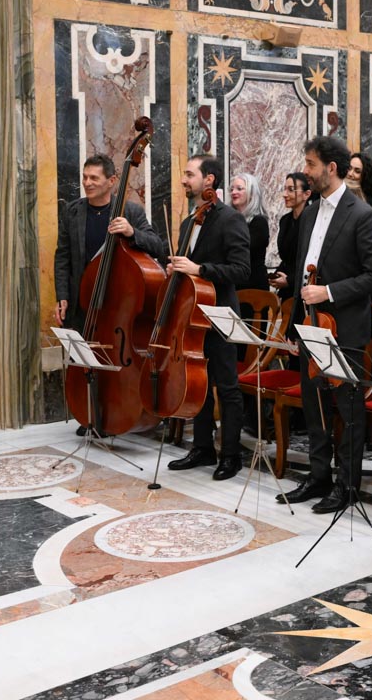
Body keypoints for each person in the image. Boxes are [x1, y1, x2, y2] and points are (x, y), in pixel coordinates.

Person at [276, 136, 372, 513]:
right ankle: (318, 476)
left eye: (310, 165)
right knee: (314, 406)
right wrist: (295, 326)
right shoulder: (309, 212)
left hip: (346, 327)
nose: (305, 171)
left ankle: (347, 485)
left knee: (348, 409)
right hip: (311, 326)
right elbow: (299, 274)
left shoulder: (363, 215)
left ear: (331, 169)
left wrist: (330, 292)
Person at [166, 156, 251, 481]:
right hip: (192, 315)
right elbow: (187, 267)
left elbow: (241, 270)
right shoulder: (190, 221)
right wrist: (176, 267)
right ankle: (202, 447)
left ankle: (230, 455)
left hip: (220, 314)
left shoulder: (230, 219)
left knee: (226, 387)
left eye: (189, 174)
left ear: (209, 180)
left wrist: (200, 269)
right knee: (196, 383)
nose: (184, 180)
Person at [53, 154, 166, 331]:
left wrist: (132, 232)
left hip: (119, 303)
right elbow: (62, 257)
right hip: (81, 303)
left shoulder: (131, 211)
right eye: (85, 177)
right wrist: (62, 296)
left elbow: (157, 247)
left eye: (94, 178)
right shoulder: (72, 211)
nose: (87, 183)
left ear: (111, 180)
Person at [269, 171, 311, 294]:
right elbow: (287, 258)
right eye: (285, 189)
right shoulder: (285, 221)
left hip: (305, 288)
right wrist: (277, 276)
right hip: (287, 290)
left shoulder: (312, 221)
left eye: (291, 190)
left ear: (306, 194)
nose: (285, 194)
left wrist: (290, 280)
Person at [229, 172, 269, 291]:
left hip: (253, 287)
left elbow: (241, 249)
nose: (233, 192)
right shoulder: (229, 220)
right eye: (232, 189)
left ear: (252, 193)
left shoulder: (259, 222)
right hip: (233, 284)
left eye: (239, 189)